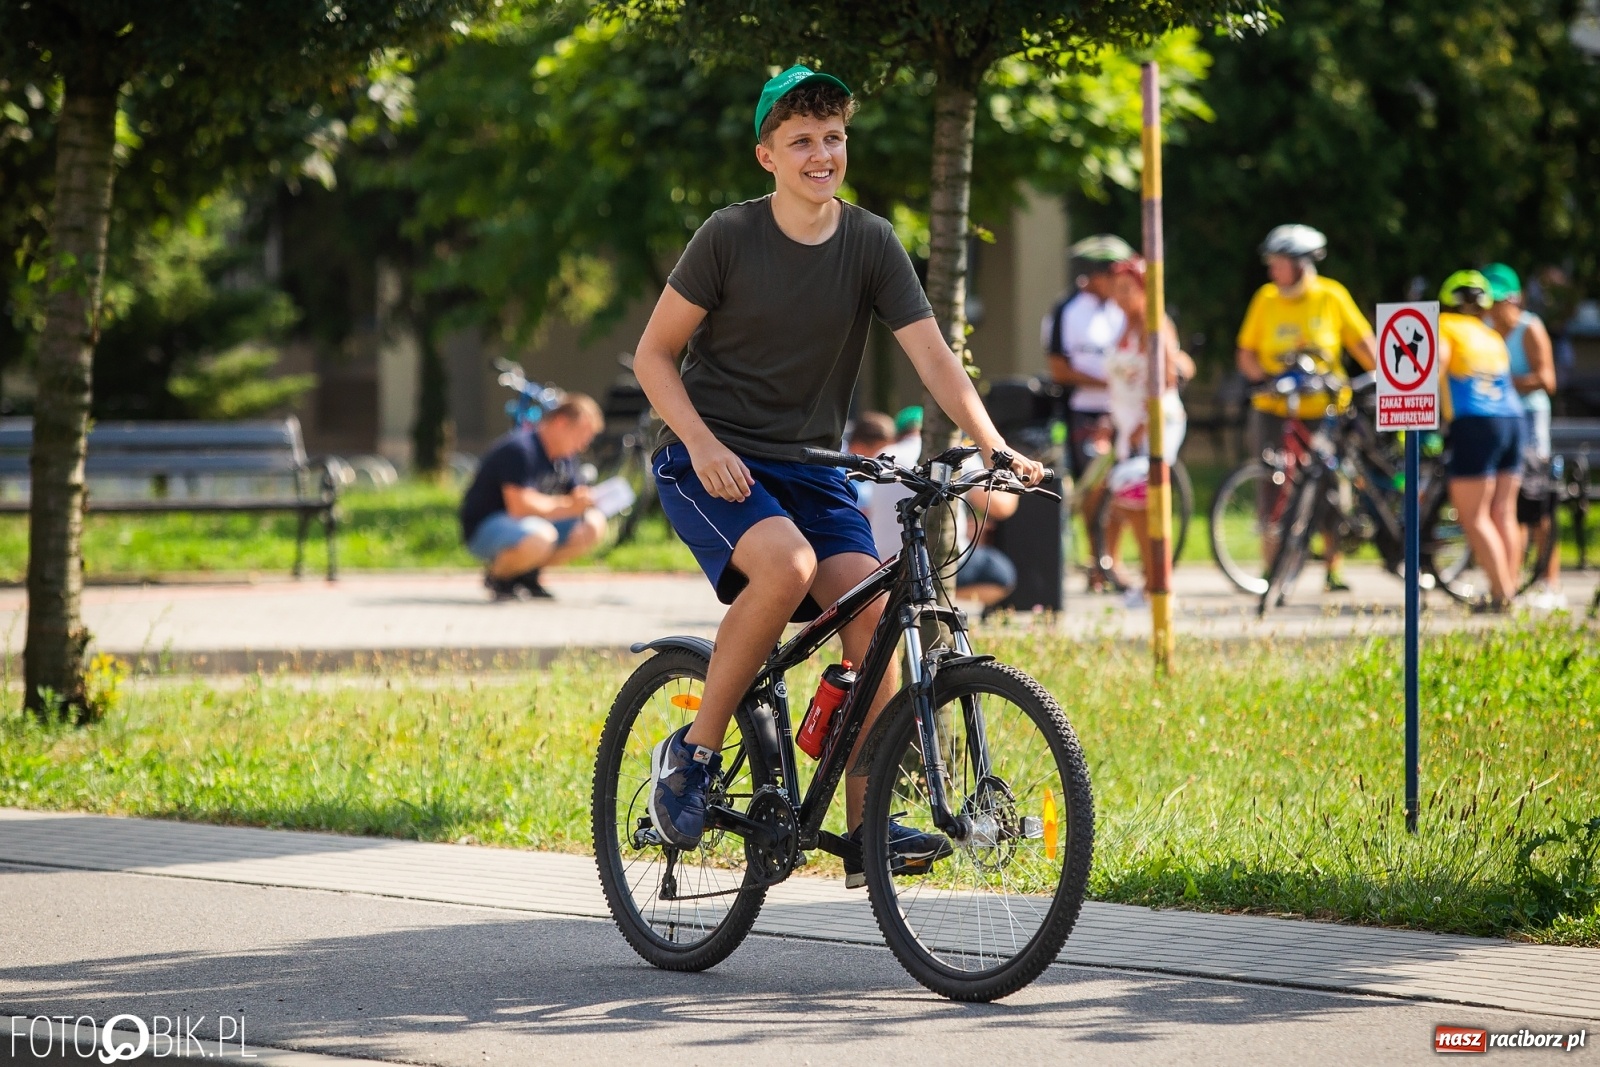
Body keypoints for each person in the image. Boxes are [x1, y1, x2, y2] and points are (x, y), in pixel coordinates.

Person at [630, 65, 1044, 885]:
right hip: (709, 457)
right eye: (802, 142)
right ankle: (695, 753)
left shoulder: (870, 242)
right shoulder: (729, 236)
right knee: (787, 566)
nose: (822, 154)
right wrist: (705, 443)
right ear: (767, 157)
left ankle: (866, 831)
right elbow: (652, 354)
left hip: (813, 469)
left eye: (833, 138)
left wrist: (993, 442)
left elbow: (934, 358)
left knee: (875, 613)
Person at [1235, 224, 1377, 592]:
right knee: (1273, 482)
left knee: (1328, 486)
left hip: (1324, 410)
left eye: (1278, 263)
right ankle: (1273, 568)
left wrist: (1384, 379)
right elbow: (1246, 353)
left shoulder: (1331, 296)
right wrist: (1265, 380)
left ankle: (1332, 568)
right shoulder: (1266, 298)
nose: (1272, 271)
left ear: (1300, 264)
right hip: (1274, 409)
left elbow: (1365, 345)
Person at [1102, 256, 1195, 605]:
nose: (1121, 296)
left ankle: (1157, 582)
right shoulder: (1122, 325)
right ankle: (1145, 577)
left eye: (1128, 289)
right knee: (1125, 500)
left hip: (1155, 424)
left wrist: (1143, 424)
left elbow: (1167, 378)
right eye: (1117, 289)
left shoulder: (1155, 324)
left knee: (1139, 496)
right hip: (1129, 428)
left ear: (1145, 290)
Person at [1043, 233, 1133, 591]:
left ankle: (1113, 559)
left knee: (1124, 486)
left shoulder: (1122, 308)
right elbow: (1059, 369)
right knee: (1093, 491)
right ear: (1098, 275)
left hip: (1122, 413)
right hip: (1083, 412)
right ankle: (1097, 563)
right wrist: (1109, 384)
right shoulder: (1066, 311)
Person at [458, 395, 607, 600]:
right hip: (485, 528)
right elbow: (519, 506)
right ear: (561, 423)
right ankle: (499, 576)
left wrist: (587, 501)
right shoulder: (521, 449)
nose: (583, 445)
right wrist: (568, 506)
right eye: (582, 435)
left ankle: (526, 574)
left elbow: (576, 494)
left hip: (531, 525)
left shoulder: (564, 456)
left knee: (593, 524)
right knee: (541, 536)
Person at [1437, 270, 1526, 611]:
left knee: (1473, 515)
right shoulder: (1491, 336)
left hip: (1475, 421)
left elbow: (1436, 365)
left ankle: (1502, 597)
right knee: (1503, 511)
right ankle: (1509, 589)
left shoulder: (1445, 327)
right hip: (1513, 420)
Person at [1484, 262, 1564, 609]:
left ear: (1512, 299)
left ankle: (1550, 581)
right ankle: (1511, 580)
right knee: (1506, 504)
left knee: (1536, 502)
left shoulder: (1530, 329)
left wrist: (1504, 383)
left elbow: (1548, 380)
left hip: (1529, 418)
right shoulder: (1486, 330)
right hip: (1499, 419)